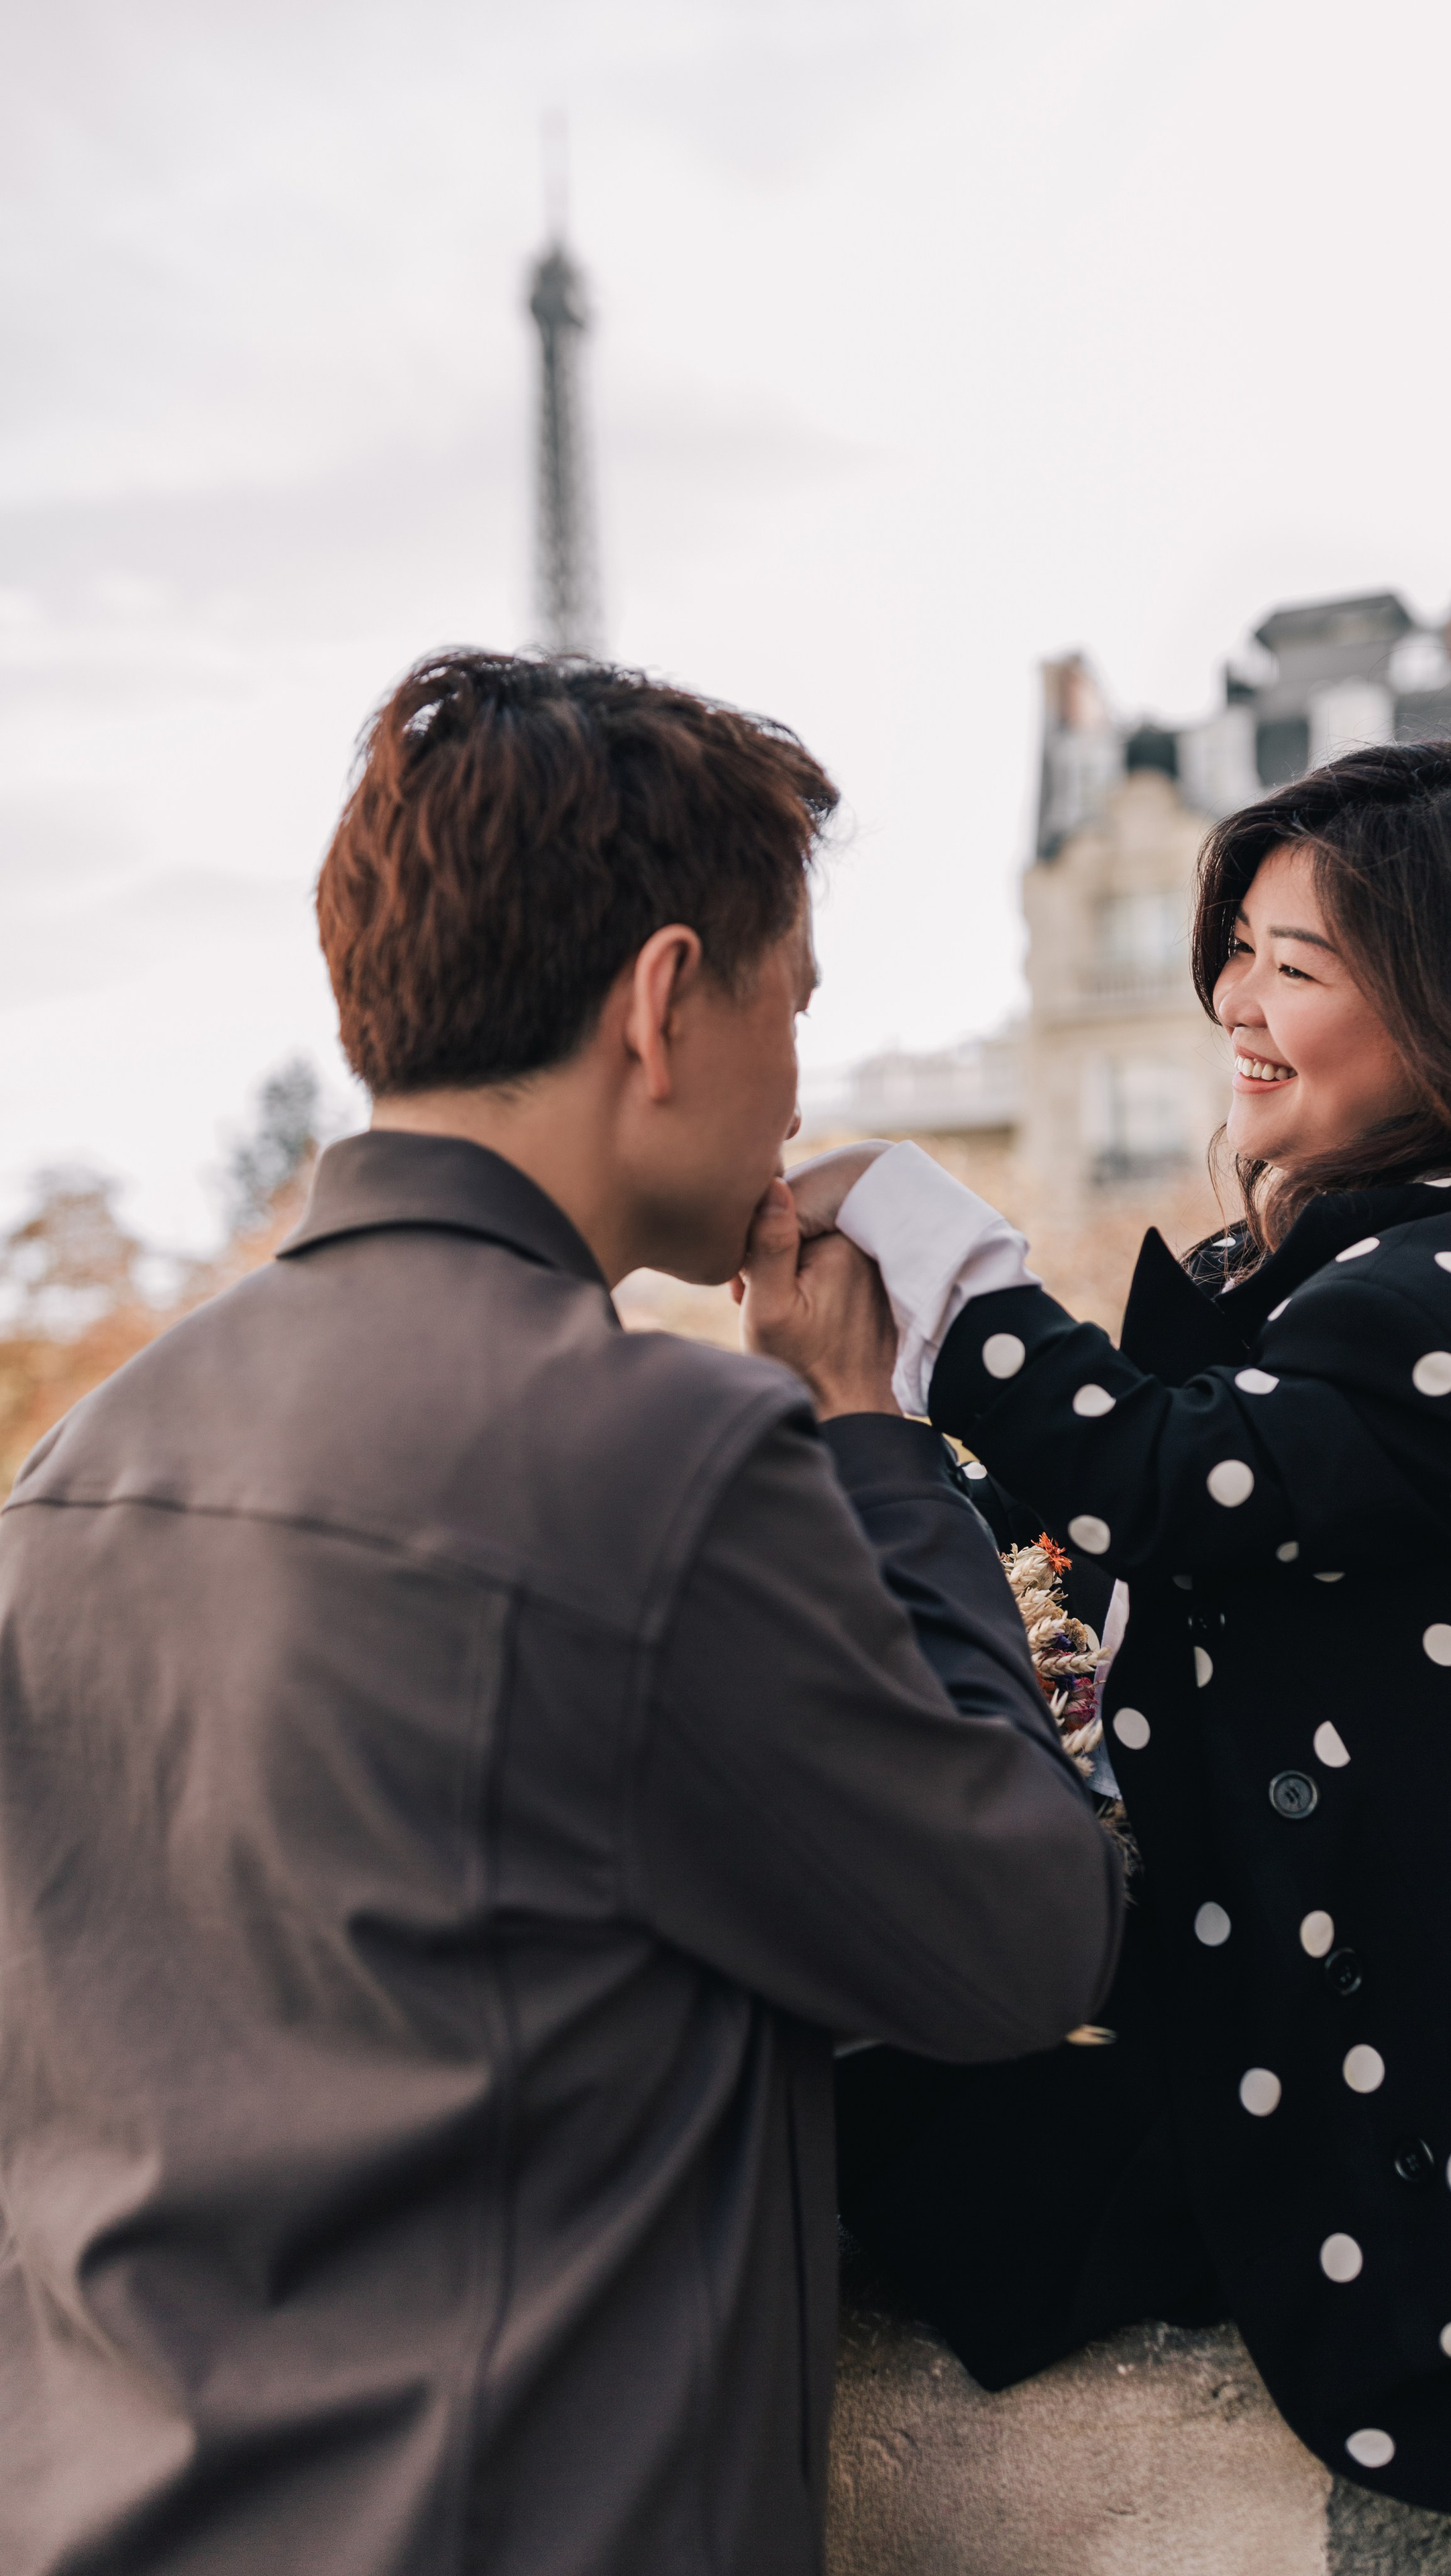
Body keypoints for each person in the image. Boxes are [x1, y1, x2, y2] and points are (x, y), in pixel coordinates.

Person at [0, 651, 1122, 2576]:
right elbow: (1021, 1937)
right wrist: (870, 1436)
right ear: (667, 1002)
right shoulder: (659, 1458)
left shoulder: (76, 1478)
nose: (799, 1084)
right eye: (793, 1008)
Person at [790, 737, 1451, 2532]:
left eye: (1298, 963)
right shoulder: (1367, 1261)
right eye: (1238, 955)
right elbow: (1117, 1517)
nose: (1236, 1002)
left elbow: (1173, 1477)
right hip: (1290, 2002)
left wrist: (933, 1246)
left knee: (818, 2113)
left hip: (1395, 2106)